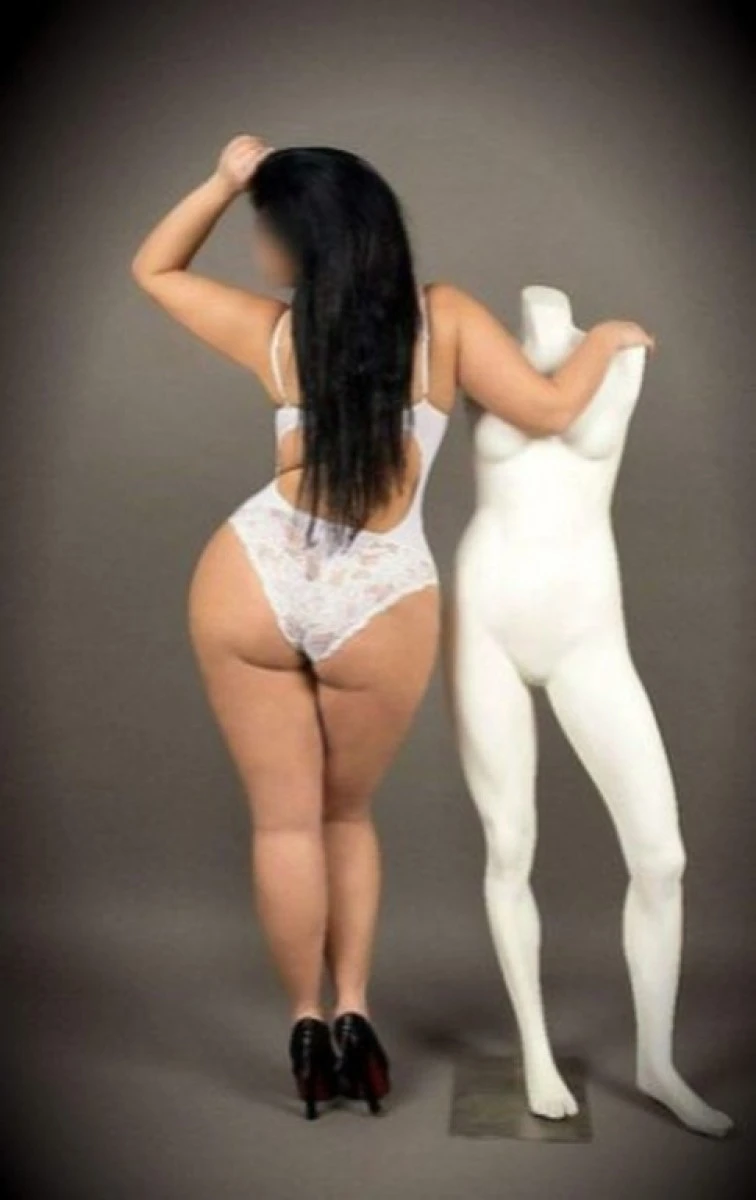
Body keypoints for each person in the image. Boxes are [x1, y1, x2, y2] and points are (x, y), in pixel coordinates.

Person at [130, 133, 655, 1120]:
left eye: (264, 230)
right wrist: (609, 337)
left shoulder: (277, 334)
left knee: (283, 821)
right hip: (379, 594)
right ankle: (355, 1012)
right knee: (343, 815)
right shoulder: (440, 319)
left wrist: (220, 181)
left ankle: (304, 1025)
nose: (256, 249)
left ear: (303, 241)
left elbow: (154, 269)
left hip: (252, 571)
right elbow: (548, 410)